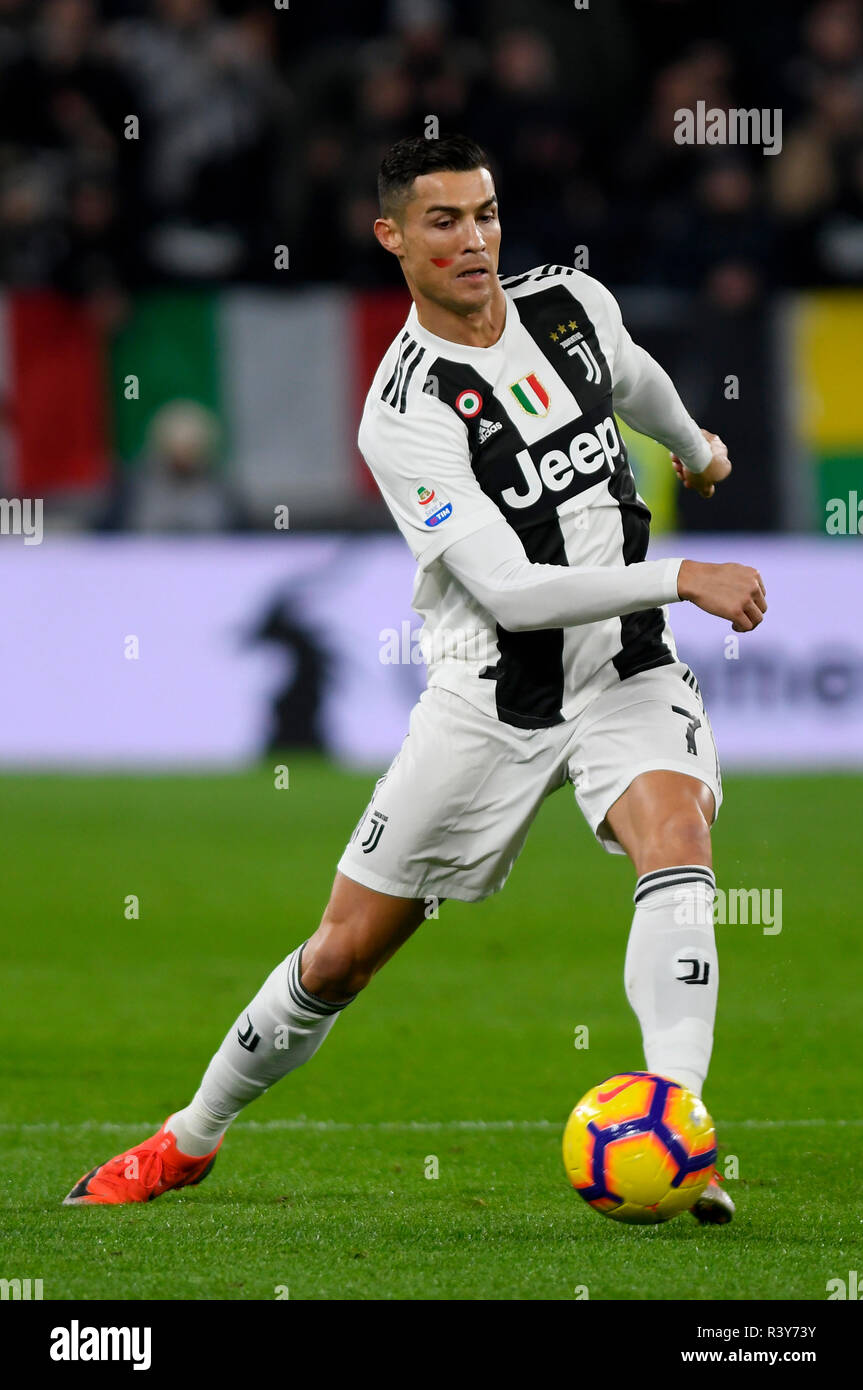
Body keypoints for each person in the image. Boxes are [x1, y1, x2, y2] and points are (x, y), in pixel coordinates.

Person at [64, 134, 766, 1222]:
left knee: (676, 837)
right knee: (343, 955)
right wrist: (681, 573)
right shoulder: (405, 412)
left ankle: (674, 1124)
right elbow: (512, 589)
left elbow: (636, 379)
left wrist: (696, 445)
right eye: (443, 221)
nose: (473, 239)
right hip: (487, 698)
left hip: (626, 667)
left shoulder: (571, 303)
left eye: (484, 214)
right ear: (392, 237)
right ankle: (187, 1138)